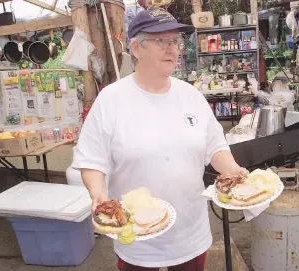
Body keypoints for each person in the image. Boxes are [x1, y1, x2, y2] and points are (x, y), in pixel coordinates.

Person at [71, 7, 247, 271]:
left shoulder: (192, 96)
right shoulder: (111, 100)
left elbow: (215, 146)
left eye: (175, 41)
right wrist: (98, 194)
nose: (173, 49)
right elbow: (92, 160)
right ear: (137, 48)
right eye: (161, 40)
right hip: (137, 236)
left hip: (190, 233)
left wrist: (235, 172)